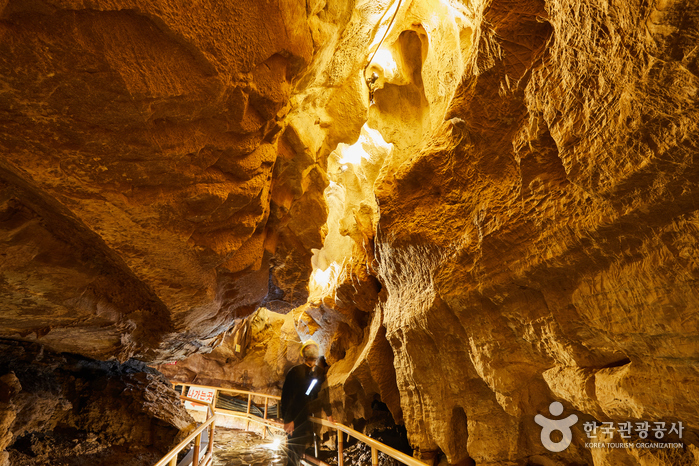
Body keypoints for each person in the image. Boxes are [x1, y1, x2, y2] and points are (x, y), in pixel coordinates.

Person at [281, 340, 322, 466]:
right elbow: (287, 397)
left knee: (298, 452)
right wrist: (288, 420)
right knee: (293, 453)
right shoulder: (295, 371)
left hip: (303, 418)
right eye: (308, 349)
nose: (311, 351)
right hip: (294, 419)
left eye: (314, 349)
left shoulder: (316, 373)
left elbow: (309, 394)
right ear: (303, 354)